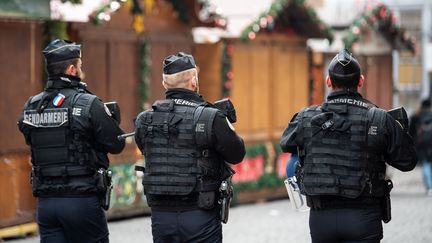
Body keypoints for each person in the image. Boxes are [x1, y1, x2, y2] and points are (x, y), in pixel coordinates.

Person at [280, 49, 417, 243]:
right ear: (360, 81)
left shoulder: (306, 117)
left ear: (328, 81)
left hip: (321, 219)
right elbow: (407, 161)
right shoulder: (378, 118)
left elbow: (286, 143)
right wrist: (399, 132)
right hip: (364, 216)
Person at [17, 39, 125, 243]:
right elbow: (116, 144)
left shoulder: (31, 106)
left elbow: (30, 137)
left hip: (46, 204)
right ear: (71, 69)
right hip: (81, 201)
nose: (81, 70)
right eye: (80, 66)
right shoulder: (88, 103)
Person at [134, 52, 245, 243]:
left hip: (161, 216)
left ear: (164, 84)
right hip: (200, 213)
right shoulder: (210, 116)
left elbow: (146, 150)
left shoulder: (144, 120)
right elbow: (237, 154)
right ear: (194, 81)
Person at [409, 99, 432, 195]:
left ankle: (429, 187)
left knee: (425, 164)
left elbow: (411, 132)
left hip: (421, 144)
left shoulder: (416, 116)